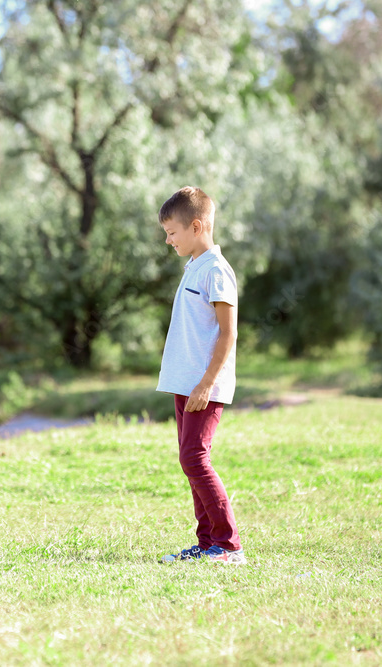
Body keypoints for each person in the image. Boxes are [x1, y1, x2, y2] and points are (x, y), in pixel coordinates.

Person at [155, 186, 246, 565]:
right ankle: (208, 542)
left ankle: (228, 545)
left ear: (196, 226)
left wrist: (206, 383)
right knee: (189, 458)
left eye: (172, 232)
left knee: (195, 458)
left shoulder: (216, 271)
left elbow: (229, 333)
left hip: (203, 386)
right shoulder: (195, 266)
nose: (168, 240)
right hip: (185, 384)